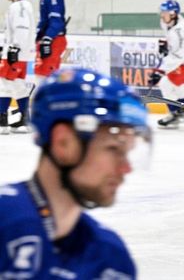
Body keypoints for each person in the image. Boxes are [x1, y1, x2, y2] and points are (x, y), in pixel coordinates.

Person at [0, 68, 151, 278]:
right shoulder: (5, 224)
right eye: (113, 149)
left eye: (127, 152)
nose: (126, 168)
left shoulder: (111, 260)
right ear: (64, 143)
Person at [150, 0, 184, 128]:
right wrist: (166, 47)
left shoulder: (180, 30)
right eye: (162, 12)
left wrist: (160, 71)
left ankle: (175, 114)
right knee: (176, 82)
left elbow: (178, 57)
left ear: (173, 14)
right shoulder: (168, 22)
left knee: (166, 83)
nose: (162, 15)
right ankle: (181, 110)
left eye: (165, 12)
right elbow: (173, 43)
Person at [0, 0, 35, 135]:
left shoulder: (19, 7)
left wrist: (14, 48)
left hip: (15, 54)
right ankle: (23, 120)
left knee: (3, 85)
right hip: (22, 54)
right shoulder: (23, 6)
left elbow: (21, 29)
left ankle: (2, 121)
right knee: (19, 86)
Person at [31, 0, 68, 87]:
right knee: (44, 74)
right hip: (49, 39)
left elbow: (56, 21)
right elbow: (44, 22)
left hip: (53, 40)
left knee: (43, 75)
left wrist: (47, 39)